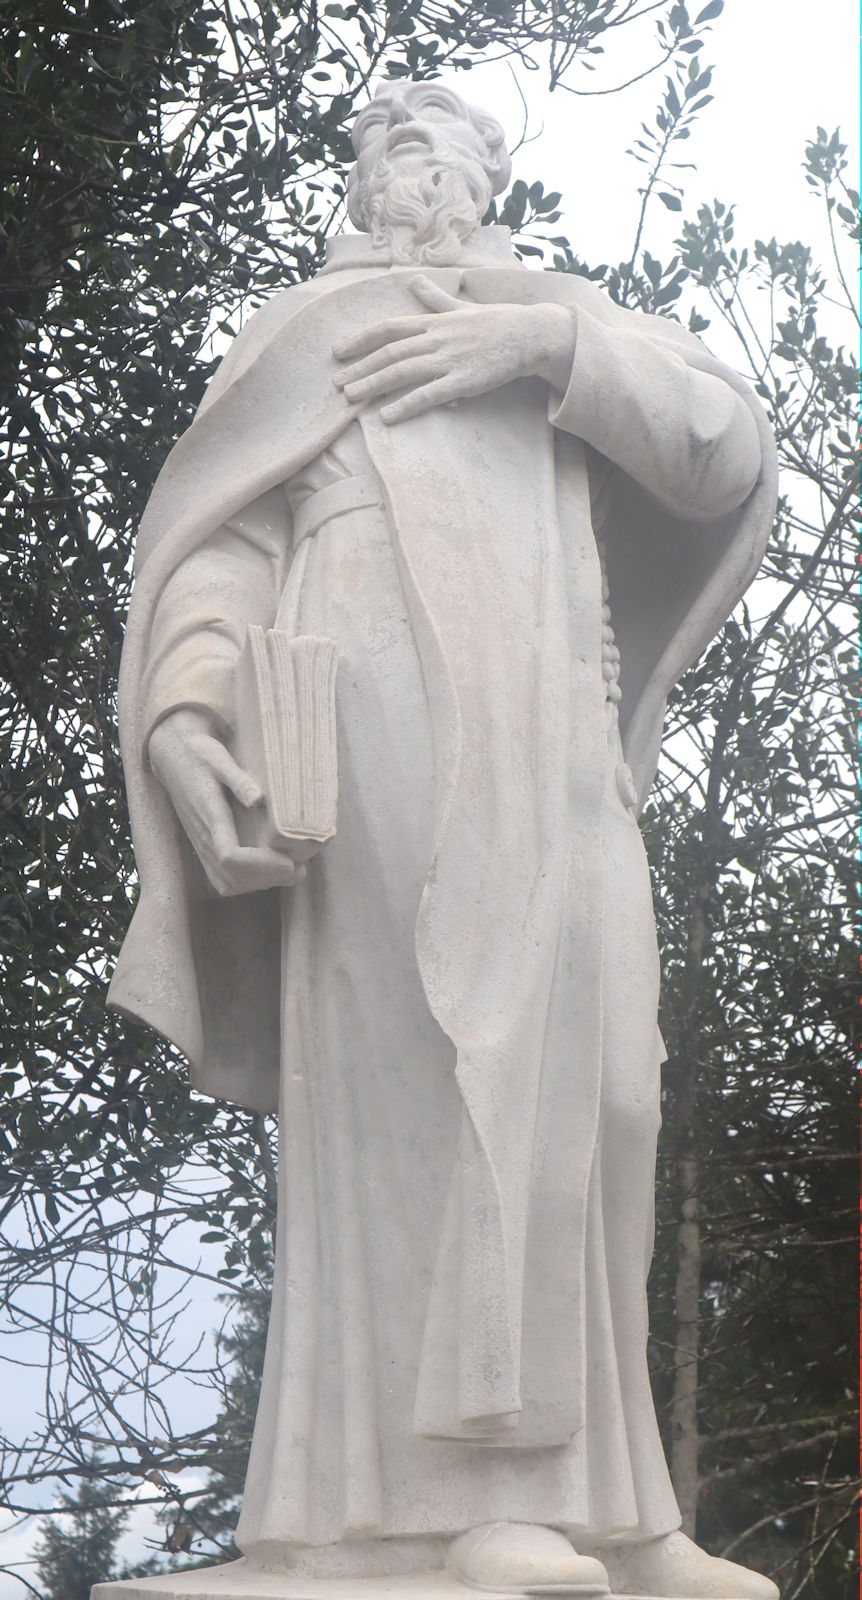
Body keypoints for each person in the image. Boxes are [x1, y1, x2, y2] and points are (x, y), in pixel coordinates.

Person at [108, 79, 779, 1597]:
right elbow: (222, 546)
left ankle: (615, 1504)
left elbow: (725, 453)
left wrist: (545, 347)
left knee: (604, 1095)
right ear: (364, 181)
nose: (442, 186)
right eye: (413, 156)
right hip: (369, 703)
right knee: (438, 1084)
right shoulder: (302, 336)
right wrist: (189, 712)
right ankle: (448, 1504)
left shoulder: (559, 320)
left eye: (469, 163)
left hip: (550, 726)